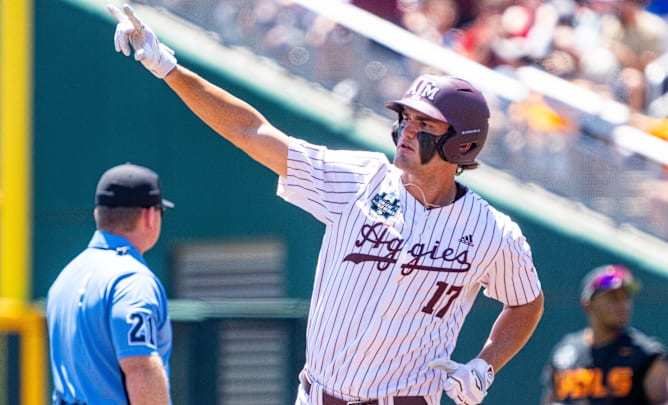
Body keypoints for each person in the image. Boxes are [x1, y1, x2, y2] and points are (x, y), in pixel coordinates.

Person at [108, 4, 544, 404]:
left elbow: (526, 302)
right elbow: (252, 131)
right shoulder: (360, 179)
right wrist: (169, 69)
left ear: (462, 144)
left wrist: (485, 365)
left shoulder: (491, 231)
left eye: (424, 122)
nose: (407, 130)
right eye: (405, 118)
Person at [46, 163, 174, 405]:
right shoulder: (132, 281)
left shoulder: (64, 278)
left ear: (98, 214)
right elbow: (141, 368)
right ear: (150, 216)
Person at [540, 264, 668, 404]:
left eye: (626, 297)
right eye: (613, 297)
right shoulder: (565, 352)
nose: (623, 304)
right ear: (588, 304)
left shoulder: (644, 354)